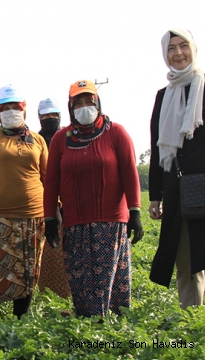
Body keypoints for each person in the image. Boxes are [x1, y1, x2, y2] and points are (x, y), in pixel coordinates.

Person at [44, 80, 143, 317]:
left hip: (110, 223)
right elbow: (51, 182)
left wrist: (135, 211)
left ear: (98, 102)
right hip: (75, 225)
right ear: (70, 107)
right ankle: (88, 326)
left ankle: (109, 330)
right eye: (78, 102)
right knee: (81, 282)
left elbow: (130, 173)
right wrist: (50, 217)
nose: (84, 107)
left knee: (107, 283)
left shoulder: (116, 133)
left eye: (89, 101)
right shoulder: (60, 139)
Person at [0, 85, 47, 318]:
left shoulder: (37, 140)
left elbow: (48, 176)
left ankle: (21, 316)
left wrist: (57, 207)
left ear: (24, 110)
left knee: (28, 269)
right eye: (5, 107)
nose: (11, 111)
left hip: (34, 216)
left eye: (16, 107)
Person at [149, 28, 205, 309]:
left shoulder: (204, 87)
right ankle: (192, 321)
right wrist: (155, 196)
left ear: (193, 48)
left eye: (183, 46)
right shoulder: (163, 96)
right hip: (181, 194)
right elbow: (158, 147)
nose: (178, 53)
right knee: (189, 262)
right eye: (172, 48)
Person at [35, 98, 71, 299]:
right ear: (39, 118)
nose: (50, 119)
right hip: (44, 207)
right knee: (48, 254)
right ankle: (47, 297)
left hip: (69, 205)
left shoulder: (69, 137)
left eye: (53, 116)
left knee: (68, 255)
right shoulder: (35, 140)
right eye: (46, 116)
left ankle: (68, 297)